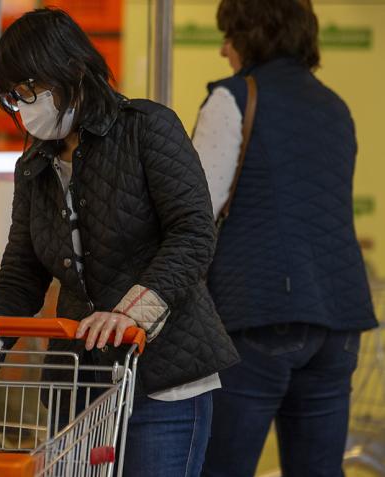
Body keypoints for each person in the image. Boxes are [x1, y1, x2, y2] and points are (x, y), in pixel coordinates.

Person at [0, 8, 239, 476]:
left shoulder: (147, 128)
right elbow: (21, 278)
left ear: (71, 70)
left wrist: (130, 313)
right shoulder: (34, 164)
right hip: (80, 385)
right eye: (11, 98)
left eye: (28, 91)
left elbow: (193, 234)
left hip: (163, 381)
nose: (22, 107)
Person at [193, 1, 378, 476]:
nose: (222, 49)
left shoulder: (234, 97)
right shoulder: (335, 107)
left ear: (250, 35)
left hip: (259, 312)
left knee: (222, 468)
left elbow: (194, 211)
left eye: (229, 35)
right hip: (338, 319)